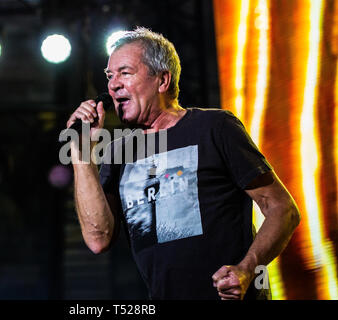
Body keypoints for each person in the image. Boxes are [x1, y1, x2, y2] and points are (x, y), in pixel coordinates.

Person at [66, 27, 300, 300]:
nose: (113, 84)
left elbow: (282, 209)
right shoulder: (119, 153)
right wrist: (82, 153)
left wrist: (248, 269)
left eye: (125, 73)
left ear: (162, 80)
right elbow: (98, 240)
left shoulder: (214, 127)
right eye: (109, 76)